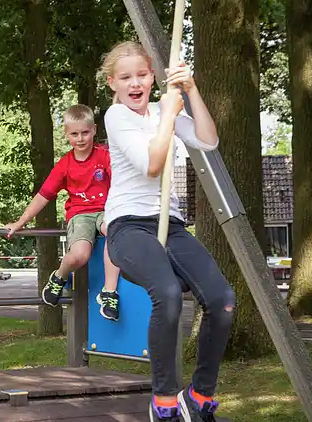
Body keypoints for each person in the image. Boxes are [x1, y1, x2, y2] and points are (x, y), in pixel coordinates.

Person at [100, 41, 235, 422]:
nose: (135, 83)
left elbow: (209, 140)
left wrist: (189, 92)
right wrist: (169, 118)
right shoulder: (116, 116)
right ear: (113, 83)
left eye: (142, 74)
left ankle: (199, 395)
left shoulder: (165, 109)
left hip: (169, 224)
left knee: (223, 300)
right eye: (125, 77)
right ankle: (164, 399)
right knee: (169, 294)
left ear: (153, 76)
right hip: (128, 226)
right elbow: (153, 165)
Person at [5, 104, 122, 321]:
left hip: (107, 210)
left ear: (94, 130)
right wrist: (21, 221)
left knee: (115, 232)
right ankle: (59, 277)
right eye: (74, 134)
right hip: (80, 214)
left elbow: (121, 178)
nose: (80, 138)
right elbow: (43, 195)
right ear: (66, 134)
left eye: (85, 132)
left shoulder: (104, 156)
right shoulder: (65, 165)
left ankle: (109, 292)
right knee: (80, 255)